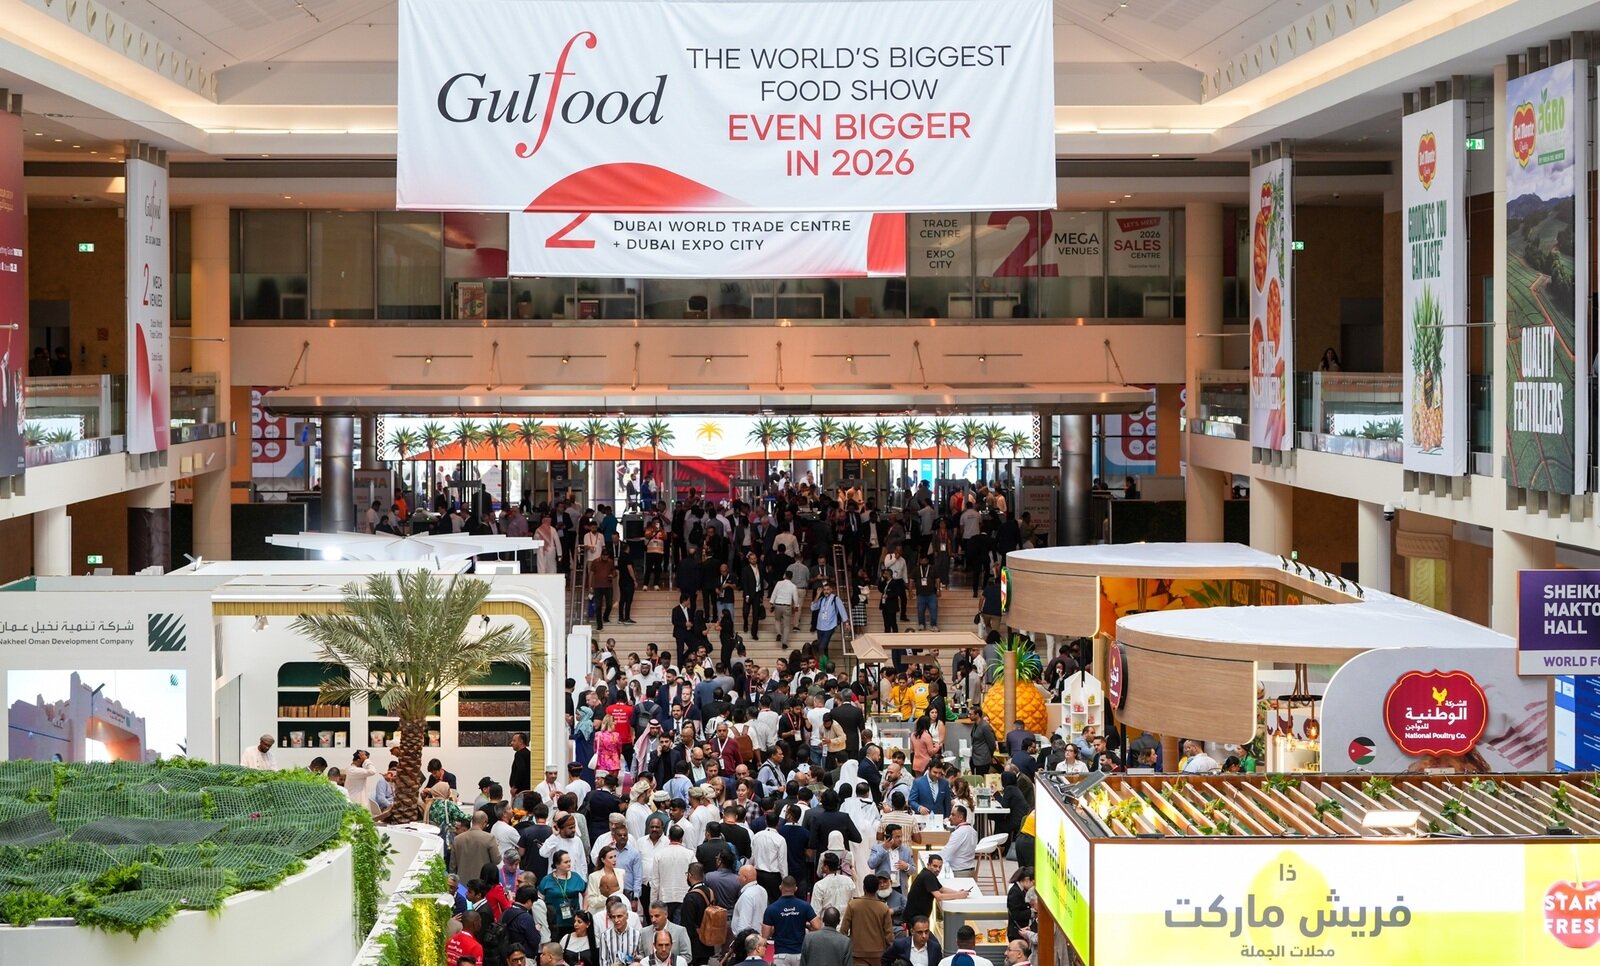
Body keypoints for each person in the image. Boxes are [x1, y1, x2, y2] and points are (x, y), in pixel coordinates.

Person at [762, 875, 820, 966]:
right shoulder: (805, 906)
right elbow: (817, 926)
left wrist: (775, 928)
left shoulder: (771, 908)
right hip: (799, 953)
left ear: (780, 887)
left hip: (781, 954)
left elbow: (765, 935)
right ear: (796, 889)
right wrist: (806, 925)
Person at [842, 873, 894, 966]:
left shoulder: (853, 905)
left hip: (857, 953)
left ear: (864, 888)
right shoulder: (883, 907)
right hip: (878, 954)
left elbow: (844, 930)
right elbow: (889, 934)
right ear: (877, 888)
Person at [904, 854, 971, 925]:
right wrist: (959, 895)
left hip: (917, 918)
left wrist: (957, 892)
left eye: (940, 867)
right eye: (935, 866)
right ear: (928, 865)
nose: (938, 869)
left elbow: (942, 889)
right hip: (915, 921)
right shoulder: (928, 876)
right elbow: (939, 896)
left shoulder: (928, 873)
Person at [538, 849, 587, 942]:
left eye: (569, 861)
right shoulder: (547, 880)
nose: (569, 864)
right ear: (557, 864)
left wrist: (584, 910)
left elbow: (586, 893)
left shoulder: (575, 877)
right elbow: (539, 900)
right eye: (566, 862)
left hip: (573, 922)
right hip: (553, 922)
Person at [809, 581, 850, 669]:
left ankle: (821, 667)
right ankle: (827, 666)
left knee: (821, 647)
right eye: (824, 590)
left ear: (831, 590)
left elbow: (842, 610)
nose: (826, 591)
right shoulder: (821, 599)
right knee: (824, 647)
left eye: (828, 589)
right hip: (820, 626)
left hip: (830, 626)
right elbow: (813, 607)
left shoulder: (835, 599)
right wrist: (817, 595)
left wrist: (846, 623)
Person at [454, 810, 500, 880]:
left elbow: (453, 865)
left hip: (461, 882)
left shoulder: (457, 839)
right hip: (481, 882)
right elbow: (496, 860)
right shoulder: (489, 838)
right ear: (484, 823)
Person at [943, 804, 978, 879]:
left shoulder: (958, 833)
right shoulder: (973, 831)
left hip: (959, 872)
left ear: (961, 817)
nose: (950, 817)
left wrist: (932, 858)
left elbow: (947, 852)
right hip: (971, 870)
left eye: (953, 815)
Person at [1006, 868, 1034, 941]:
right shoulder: (1015, 892)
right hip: (1016, 933)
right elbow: (1016, 914)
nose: (1033, 886)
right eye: (1033, 883)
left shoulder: (1020, 890)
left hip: (1021, 931)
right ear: (1027, 880)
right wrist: (1032, 912)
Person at [509, 733, 532, 799]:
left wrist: (515, 786)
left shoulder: (519, 754)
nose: (511, 743)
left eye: (514, 741)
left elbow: (521, 770)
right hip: (527, 791)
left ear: (521, 742)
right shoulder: (528, 753)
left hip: (520, 792)